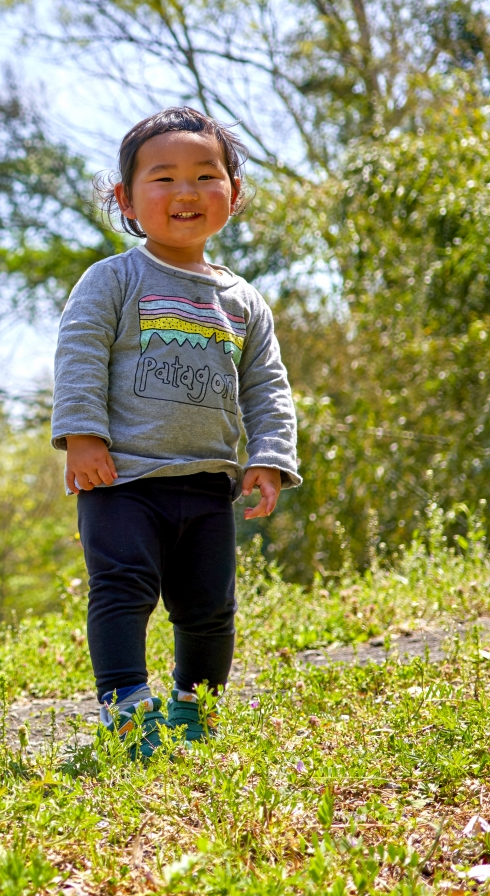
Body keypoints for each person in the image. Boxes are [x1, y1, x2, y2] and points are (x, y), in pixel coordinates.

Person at [52, 106, 299, 757]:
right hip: (123, 478)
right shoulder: (114, 279)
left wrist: (269, 457)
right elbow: (79, 355)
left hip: (208, 481)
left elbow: (267, 386)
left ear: (233, 195)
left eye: (204, 175)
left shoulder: (243, 301)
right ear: (125, 200)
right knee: (123, 586)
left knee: (210, 606)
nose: (185, 192)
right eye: (163, 178)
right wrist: (83, 435)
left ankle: (196, 710)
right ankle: (129, 714)